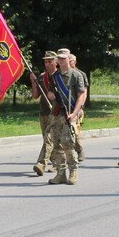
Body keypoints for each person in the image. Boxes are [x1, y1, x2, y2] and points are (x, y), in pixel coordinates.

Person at [48, 48, 86, 185]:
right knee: (56, 144)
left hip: (70, 113)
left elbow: (81, 95)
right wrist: (50, 95)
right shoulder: (54, 76)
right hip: (57, 114)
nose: (61, 60)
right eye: (59, 58)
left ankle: (73, 171)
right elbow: (51, 92)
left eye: (64, 58)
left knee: (68, 144)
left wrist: (75, 113)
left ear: (69, 58)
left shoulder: (76, 75)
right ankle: (60, 173)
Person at [31, 50, 59, 176]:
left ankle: (41, 164)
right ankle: (56, 163)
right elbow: (35, 95)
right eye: (45, 61)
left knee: (49, 138)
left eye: (50, 61)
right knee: (47, 138)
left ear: (56, 62)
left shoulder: (60, 76)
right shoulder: (42, 77)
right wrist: (33, 82)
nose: (47, 64)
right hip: (43, 111)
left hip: (56, 111)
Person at [69, 54, 89, 163]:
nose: (69, 62)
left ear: (75, 62)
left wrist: (80, 107)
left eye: (71, 60)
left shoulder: (80, 74)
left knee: (75, 132)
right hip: (66, 107)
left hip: (76, 107)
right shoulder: (64, 74)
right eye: (68, 60)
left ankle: (79, 150)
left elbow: (84, 93)